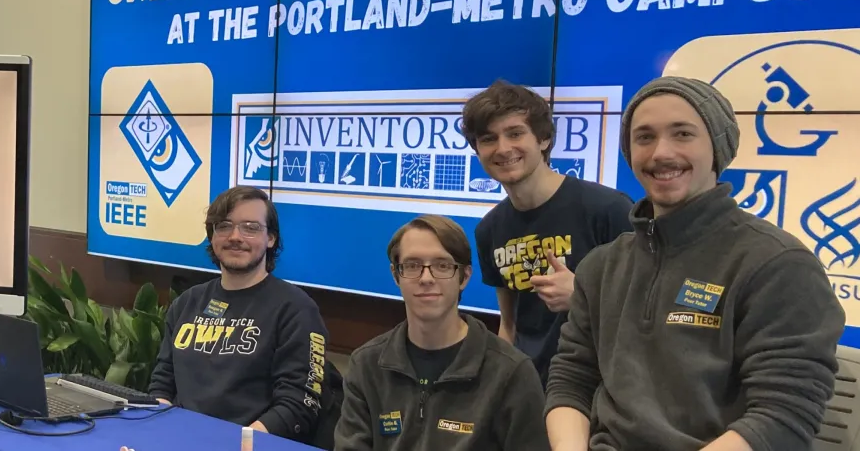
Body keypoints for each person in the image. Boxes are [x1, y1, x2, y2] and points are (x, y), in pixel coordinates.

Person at [545, 76, 845, 450]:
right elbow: (572, 379)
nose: (661, 153)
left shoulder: (779, 264)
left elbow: (783, 414)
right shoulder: (603, 265)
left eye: (683, 134)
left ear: (718, 148)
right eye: (644, 137)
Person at [461, 80, 633, 385]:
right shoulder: (489, 229)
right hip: (531, 392)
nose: (503, 149)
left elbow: (650, 310)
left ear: (543, 139)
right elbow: (510, 325)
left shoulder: (608, 209)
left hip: (600, 394)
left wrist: (583, 294)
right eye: (488, 139)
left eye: (515, 133)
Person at [335, 214, 550, 450]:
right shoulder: (366, 365)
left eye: (442, 265)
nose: (426, 278)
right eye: (413, 265)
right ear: (396, 275)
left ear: (464, 277)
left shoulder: (511, 373)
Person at [149, 185, 329, 443]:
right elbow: (162, 382)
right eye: (224, 226)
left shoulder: (296, 309)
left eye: (251, 227)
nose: (236, 236)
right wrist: (161, 432)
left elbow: (300, 404)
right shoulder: (187, 303)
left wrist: (237, 442)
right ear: (212, 236)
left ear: (271, 239)